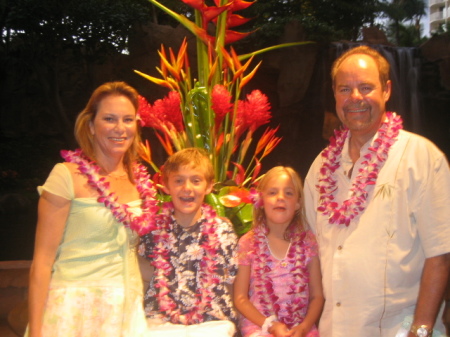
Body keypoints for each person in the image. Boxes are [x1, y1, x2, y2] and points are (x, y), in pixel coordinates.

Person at [304, 45, 450, 337]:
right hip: (335, 329)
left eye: (366, 87)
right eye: (345, 89)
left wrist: (421, 329)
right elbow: (310, 249)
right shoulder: (320, 167)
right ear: (334, 94)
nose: (355, 98)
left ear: (386, 90)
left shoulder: (421, 157)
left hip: (400, 329)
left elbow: (440, 254)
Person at [27, 81, 157, 337]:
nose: (120, 128)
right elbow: (42, 262)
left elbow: (131, 254)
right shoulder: (66, 176)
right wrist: (36, 332)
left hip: (124, 313)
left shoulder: (140, 182)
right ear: (91, 126)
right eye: (109, 119)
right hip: (73, 311)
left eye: (128, 119)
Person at [138, 147, 238, 337]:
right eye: (178, 180)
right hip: (160, 319)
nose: (187, 188)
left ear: (209, 186)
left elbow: (231, 282)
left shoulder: (222, 230)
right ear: (166, 186)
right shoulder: (153, 230)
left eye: (196, 180)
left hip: (212, 321)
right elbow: (141, 276)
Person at [234, 166, 324, 337]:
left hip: (300, 328)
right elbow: (240, 298)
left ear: (298, 202)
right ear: (261, 200)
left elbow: (317, 296)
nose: (280, 198)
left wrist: (304, 327)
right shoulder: (248, 243)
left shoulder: (308, 242)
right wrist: (270, 325)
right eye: (273, 193)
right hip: (260, 327)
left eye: (289, 193)